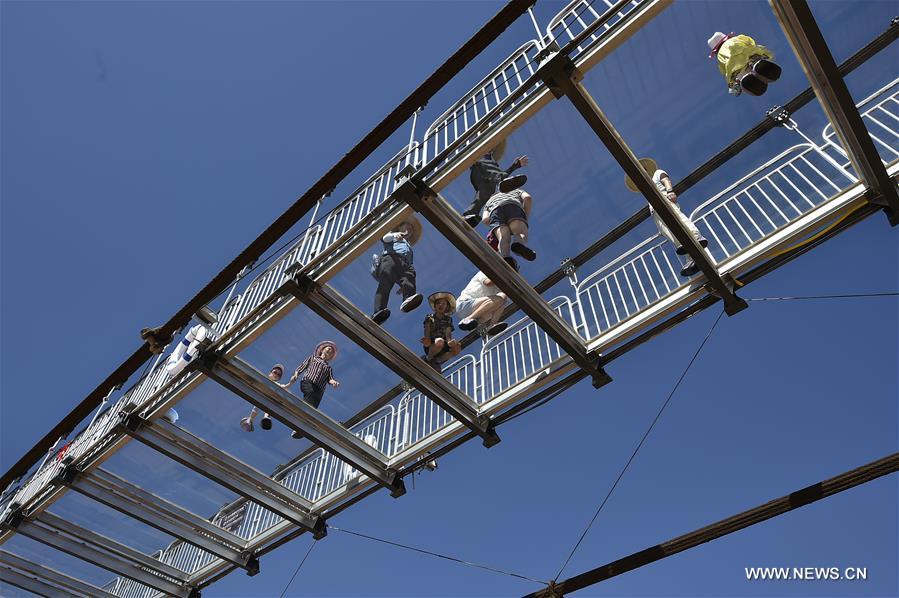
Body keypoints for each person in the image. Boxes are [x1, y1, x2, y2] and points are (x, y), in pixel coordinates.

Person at [625, 158, 709, 277]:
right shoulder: (646, 188)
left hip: (664, 198)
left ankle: (696, 237)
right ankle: (691, 259)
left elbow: (666, 180)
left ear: (644, 168)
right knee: (668, 231)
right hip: (655, 211)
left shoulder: (656, 173)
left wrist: (670, 191)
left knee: (678, 219)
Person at [463, 138, 529, 227]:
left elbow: (498, 173)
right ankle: (502, 181)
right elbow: (494, 171)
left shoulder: (492, 161)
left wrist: (515, 166)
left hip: (487, 180)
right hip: (479, 170)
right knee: (493, 171)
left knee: (484, 194)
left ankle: (468, 215)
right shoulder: (481, 154)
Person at [283, 341, 341, 439]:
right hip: (308, 382)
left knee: (312, 408)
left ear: (331, 357)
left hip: (319, 389)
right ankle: (298, 423)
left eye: (331, 352)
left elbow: (330, 379)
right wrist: (296, 375)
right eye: (328, 349)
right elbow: (301, 367)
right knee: (309, 394)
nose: (329, 351)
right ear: (322, 350)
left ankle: (301, 428)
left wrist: (334, 382)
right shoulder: (313, 358)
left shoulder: (328, 368)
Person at [372, 217, 424, 325]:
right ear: (399, 227)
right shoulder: (393, 235)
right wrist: (395, 235)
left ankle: (408, 297)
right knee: (385, 284)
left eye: (411, 228)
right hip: (390, 258)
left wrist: (403, 284)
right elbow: (385, 238)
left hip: (404, 264)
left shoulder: (408, 245)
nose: (410, 228)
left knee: (409, 275)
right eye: (407, 225)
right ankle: (379, 311)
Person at [708, 32, 781, 97]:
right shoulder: (737, 38)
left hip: (737, 70)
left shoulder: (719, 57)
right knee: (758, 64)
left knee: (743, 77)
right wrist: (764, 53)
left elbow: (724, 71)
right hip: (751, 57)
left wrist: (733, 84)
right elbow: (750, 42)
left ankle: (744, 81)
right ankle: (763, 68)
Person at [481, 188, 535, 268]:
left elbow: (485, 219)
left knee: (503, 237)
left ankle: (506, 259)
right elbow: (527, 198)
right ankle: (518, 244)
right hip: (512, 205)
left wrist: (495, 224)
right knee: (520, 232)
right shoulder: (515, 190)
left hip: (494, 212)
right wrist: (525, 216)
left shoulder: (488, 202)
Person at [456, 271, 510, 336]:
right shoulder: (484, 272)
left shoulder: (500, 289)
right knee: (500, 298)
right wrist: (501, 275)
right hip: (464, 305)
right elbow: (488, 283)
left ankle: (492, 325)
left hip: (481, 313)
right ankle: (468, 319)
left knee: (503, 297)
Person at [421, 292, 461, 371]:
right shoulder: (430, 317)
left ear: (446, 307)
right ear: (435, 306)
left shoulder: (448, 319)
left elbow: (448, 332)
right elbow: (427, 329)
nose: (441, 305)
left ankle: (436, 361)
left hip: (443, 344)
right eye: (439, 303)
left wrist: (450, 341)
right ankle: (428, 358)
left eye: (443, 304)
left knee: (457, 348)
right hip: (432, 343)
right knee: (439, 341)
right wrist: (427, 339)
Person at [239, 363, 285, 432]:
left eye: (278, 375)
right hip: (260, 396)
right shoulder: (263, 379)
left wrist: (291, 382)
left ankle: (265, 418)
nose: (276, 375)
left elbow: (283, 387)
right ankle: (250, 419)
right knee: (258, 405)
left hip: (269, 399)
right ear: (270, 372)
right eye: (275, 372)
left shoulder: (276, 385)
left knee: (270, 405)